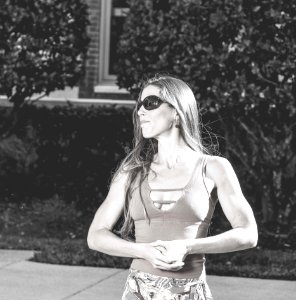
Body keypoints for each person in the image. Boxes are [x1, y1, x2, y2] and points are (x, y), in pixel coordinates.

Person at [87, 75, 258, 300]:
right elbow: (95, 236)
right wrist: (143, 251)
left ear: (177, 111)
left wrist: (187, 247)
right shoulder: (132, 171)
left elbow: (248, 234)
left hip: (190, 292)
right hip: (138, 293)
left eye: (150, 103)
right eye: (139, 105)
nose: (140, 112)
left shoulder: (214, 168)